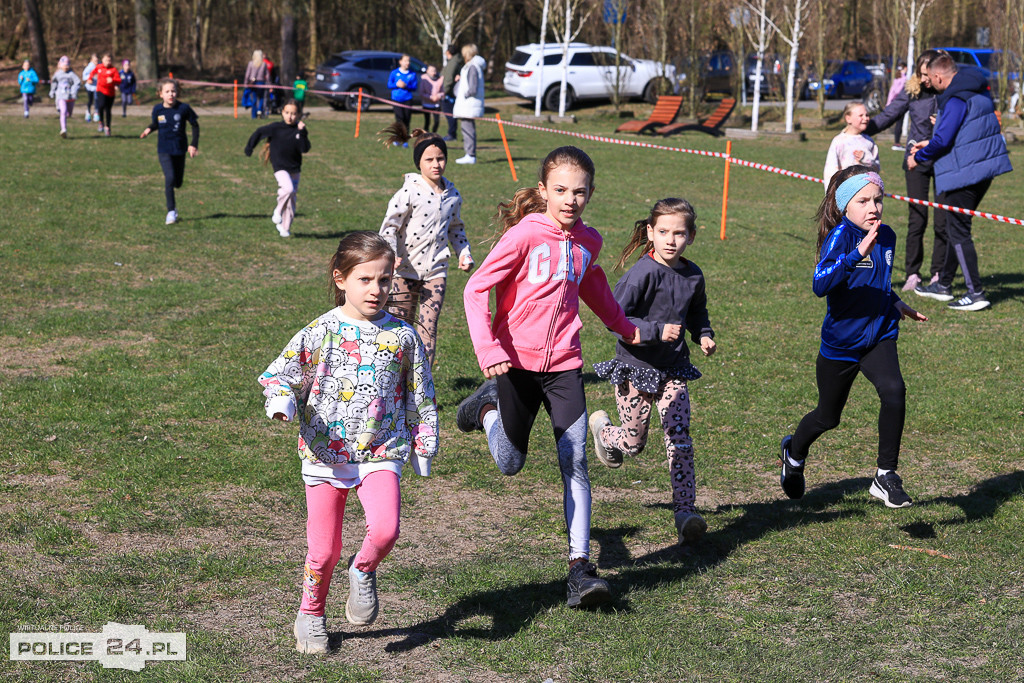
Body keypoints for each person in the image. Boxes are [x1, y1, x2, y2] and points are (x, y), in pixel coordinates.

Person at [458, 146, 641, 608]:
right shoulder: (524, 235)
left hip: (564, 365)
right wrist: (488, 348)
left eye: (579, 192)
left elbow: (592, 285)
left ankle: (579, 569)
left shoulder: (589, 241)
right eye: (560, 190)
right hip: (514, 365)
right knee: (509, 462)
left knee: (574, 461)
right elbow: (476, 288)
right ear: (543, 191)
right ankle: (484, 408)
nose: (570, 200)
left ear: (590, 194)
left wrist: (624, 327)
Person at [258, 231, 438, 655]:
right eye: (365, 279)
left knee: (387, 529)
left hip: (382, 449)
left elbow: (421, 393)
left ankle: (363, 569)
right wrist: (281, 401)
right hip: (325, 453)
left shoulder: (404, 336)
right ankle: (311, 614)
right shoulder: (321, 329)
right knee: (323, 551)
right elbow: (280, 374)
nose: (377, 289)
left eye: (385, 280)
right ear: (341, 279)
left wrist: (424, 442)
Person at [780, 166, 927, 510]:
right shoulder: (841, 238)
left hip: (879, 335)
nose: (873, 207)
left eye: (878, 199)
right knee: (827, 417)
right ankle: (794, 453)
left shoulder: (886, 235)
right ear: (845, 205)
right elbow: (821, 284)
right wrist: (856, 253)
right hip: (842, 344)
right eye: (863, 201)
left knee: (894, 391)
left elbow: (878, 280)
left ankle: (885, 475)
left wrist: (895, 301)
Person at [589, 198, 717, 545]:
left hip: (674, 368)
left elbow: (697, 312)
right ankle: (604, 433)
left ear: (691, 236)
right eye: (663, 232)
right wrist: (655, 331)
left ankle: (685, 512)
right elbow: (614, 318)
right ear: (650, 232)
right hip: (636, 368)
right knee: (634, 443)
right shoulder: (641, 274)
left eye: (679, 233)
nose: (671, 240)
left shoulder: (693, 275)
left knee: (680, 438)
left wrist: (704, 334)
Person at [909, 53, 1013, 312]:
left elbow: (943, 140)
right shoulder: (977, 91)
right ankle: (944, 285)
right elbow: (964, 131)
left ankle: (975, 293)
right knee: (956, 226)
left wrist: (917, 157)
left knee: (958, 230)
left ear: (938, 76)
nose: (928, 83)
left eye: (929, 77)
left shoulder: (955, 98)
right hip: (982, 169)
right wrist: (932, 140)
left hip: (965, 172)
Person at [377, 124, 474, 366]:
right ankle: (394, 378)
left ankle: (423, 381)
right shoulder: (408, 192)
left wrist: (464, 253)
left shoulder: (453, 195)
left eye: (440, 158)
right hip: (404, 271)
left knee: (428, 329)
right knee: (399, 329)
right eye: (429, 159)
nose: (436, 164)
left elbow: (456, 228)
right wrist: (391, 255)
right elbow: (389, 227)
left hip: (436, 271)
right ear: (418, 162)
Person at [865, 49, 947, 292]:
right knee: (917, 219)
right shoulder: (912, 91)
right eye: (921, 74)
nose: (925, 79)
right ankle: (913, 273)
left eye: (928, 74)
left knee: (943, 221)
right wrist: (863, 128)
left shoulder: (949, 92)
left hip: (945, 162)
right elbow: (889, 115)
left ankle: (939, 274)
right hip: (915, 161)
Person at [244, 99, 311, 238]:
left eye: (293, 113)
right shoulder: (275, 128)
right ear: (282, 112)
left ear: (299, 115)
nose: (290, 116)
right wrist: (249, 147)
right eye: (287, 112)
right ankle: (278, 211)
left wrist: (302, 132)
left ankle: (285, 228)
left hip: (295, 168)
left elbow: (304, 149)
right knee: (288, 189)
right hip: (279, 166)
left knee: (291, 198)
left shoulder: (300, 130)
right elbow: (259, 132)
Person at [139, 79, 199, 225]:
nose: (171, 94)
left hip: (179, 149)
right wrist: (149, 129)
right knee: (169, 178)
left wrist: (193, 144)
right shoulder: (157, 109)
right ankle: (171, 211)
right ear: (161, 94)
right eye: (167, 91)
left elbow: (195, 126)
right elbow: (156, 123)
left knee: (178, 183)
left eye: (173, 91)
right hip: (164, 150)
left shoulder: (184, 108)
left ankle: (173, 203)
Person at [823, 102, 879, 187]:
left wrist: (865, 158)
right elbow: (830, 171)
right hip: (846, 190)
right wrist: (832, 191)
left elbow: (876, 169)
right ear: (848, 118)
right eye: (861, 115)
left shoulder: (869, 142)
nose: (866, 118)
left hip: (866, 190)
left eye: (867, 115)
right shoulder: (839, 141)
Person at [452, 44, 485, 165]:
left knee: (468, 130)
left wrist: (464, 95)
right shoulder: (471, 66)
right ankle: (469, 154)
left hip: (469, 105)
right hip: (467, 105)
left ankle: (470, 155)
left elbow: (472, 88)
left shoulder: (472, 67)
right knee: (466, 129)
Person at [87, 53, 121, 136]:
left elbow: (119, 80)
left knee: (108, 110)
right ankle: (101, 122)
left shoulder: (113, 69)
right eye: (106, 60)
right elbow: (92, 73)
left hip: (110, 93)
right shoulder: (99, 67)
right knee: (101, 106)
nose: (108, 62)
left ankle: (107, 127)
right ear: (102, 60)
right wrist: (90, 79)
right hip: (100, 90)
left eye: (109, 60)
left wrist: (112, 80)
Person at [49, 56, 81, 138]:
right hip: (61, 96)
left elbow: (77, 83)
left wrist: (73, 91)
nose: (65, 67)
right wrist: (52, 91)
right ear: (60, 65)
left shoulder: (72, 74)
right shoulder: (57, 74)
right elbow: (54, 83)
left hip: (70, 97)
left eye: (67, 65)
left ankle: (66, 116)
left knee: (68, 114)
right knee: (63, 111)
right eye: (64, 65)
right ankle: (63, 129)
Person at [387, 54, 419, 132]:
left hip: (407, 99)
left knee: (407, 119)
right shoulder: (394, 73)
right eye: (405, 61)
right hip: (396, 99)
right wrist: (396, 84)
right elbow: (389, 85)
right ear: (400, 62)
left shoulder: (412, 74)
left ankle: (405, 137)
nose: (407, 62)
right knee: (399, 118)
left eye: (409, 61)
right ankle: (398, 136)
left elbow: (414, 87)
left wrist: (406, 86)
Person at [440, 47, 463, 141]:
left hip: (448, 94)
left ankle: (452, 134)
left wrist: (444, 92)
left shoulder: (452, 63)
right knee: (451, 114)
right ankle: (452, 134)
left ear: (448, 52)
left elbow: (448, 79)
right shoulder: (454, 61)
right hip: (450, 93)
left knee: (450, 114)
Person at [886, 61, 908, 149]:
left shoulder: (896, 78)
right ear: (905, 68)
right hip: (900, 103)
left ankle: (897, 142)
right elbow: (897, 91)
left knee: (897, 123)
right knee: (899, 123)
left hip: (894, 102)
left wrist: (888, 102)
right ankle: (897, 143)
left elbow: (892, 91)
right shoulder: (904, 79)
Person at [418, 64, 443, 133]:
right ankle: (425, 135)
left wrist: (438, 96)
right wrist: (431, 97)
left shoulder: (439, 79)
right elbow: (421, 93)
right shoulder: (424, 79)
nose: (433, 73)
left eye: (434, 71)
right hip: (426, 104)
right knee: (427, 121)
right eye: (431, 71)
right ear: (427, 71)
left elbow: (442, 92)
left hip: (436, 105)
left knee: (436, 121)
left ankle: (433, 134)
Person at [244, 49, 269, 119]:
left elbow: (247, 75)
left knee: (254, 98)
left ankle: (253, 115)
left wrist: (246, 83)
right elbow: (267, 75)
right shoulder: (264, 64)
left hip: (253, 83)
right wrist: (269, 84)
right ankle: (259, 110)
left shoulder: (251, 64)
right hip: (261, 82)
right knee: (261, 98)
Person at [82, 54, 98, 122]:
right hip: (89, 87)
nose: (96, 61)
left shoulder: (99, 66)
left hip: (96, 87)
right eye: (95, 60)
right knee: (90, 100)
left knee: (96, 99)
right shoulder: (89, 67)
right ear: (91, 60)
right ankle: (88, 112)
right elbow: (84, 76)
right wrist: (89, 79)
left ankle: (96, 113)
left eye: (97, 60)